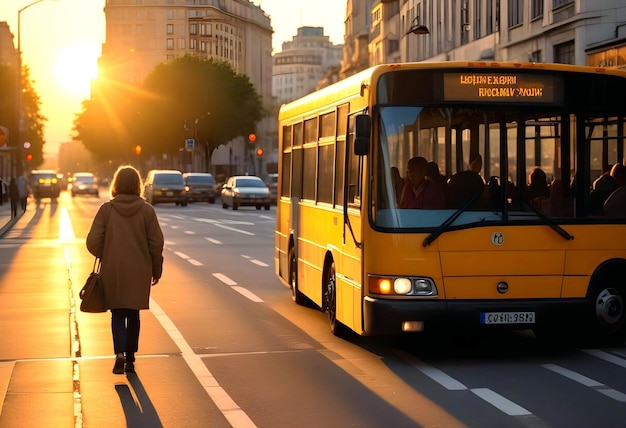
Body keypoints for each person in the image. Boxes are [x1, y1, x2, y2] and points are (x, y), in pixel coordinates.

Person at [86, 165, 164, 374]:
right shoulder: (147, 210)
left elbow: (92, 241)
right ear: (138, 185)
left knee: (118, 313)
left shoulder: (107, 210)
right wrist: (156, 269)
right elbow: (156, 243)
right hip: (140, 271)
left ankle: (119, 353)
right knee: (134, 313)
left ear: (116, 184)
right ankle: (131, 357)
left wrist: (106, 252)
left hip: (114, 269)